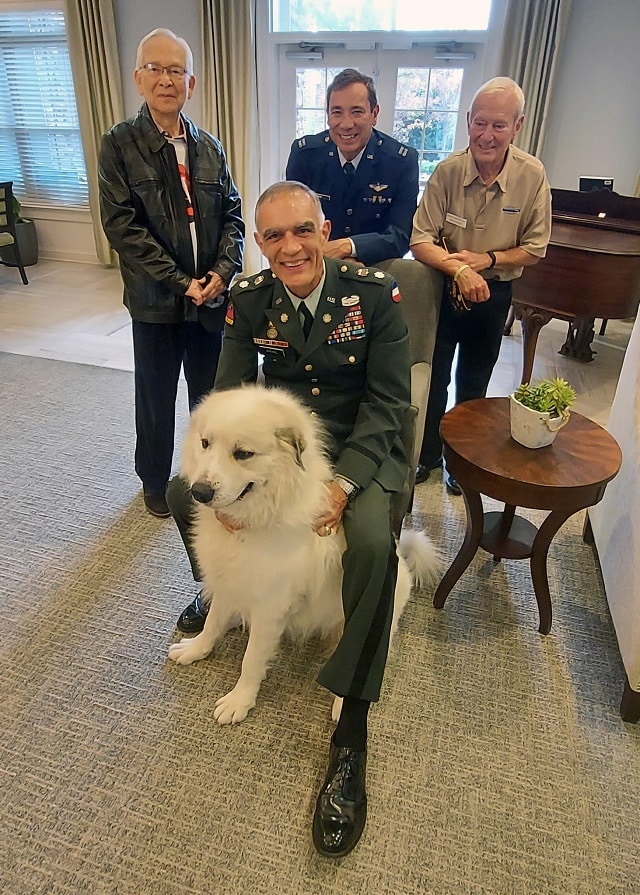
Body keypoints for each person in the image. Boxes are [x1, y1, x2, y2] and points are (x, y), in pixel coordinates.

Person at [166, 181, 411, 858]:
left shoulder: (371, 294)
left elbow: (389, 404)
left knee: (367, 545)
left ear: (323, 227)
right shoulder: (250, 301)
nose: (289, 246)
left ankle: (351, 732)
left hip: (359, 444)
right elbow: (230, 396)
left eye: (302, 230)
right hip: (277, 455)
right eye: (273, 235)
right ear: (261, 241)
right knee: (185, 492)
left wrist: (344, 481)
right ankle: (227, 585)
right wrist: (222, 474)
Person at [98, 28, 244, 517]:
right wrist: (183, 283)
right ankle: (155, 478)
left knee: (211, 397)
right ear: (138, 79)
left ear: (192, 83)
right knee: (156, 396)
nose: (166, 80)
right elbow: (123, 227)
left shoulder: (210, 147)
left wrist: (222, 272)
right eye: (156, 69)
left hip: (211, 296)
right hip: (157, 302)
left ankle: (209, 475)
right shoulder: (119, 145)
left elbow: (233, 215)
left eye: (176, 70)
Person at [410, 77, 551, 493]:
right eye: (480, 123)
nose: (487, 136)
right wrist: (458, 270)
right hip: (443, 291)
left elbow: (536, 247)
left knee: (474, 381)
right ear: (468, 120)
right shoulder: (448, 171)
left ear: (518, 126)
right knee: (434, 377)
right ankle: (428, 455)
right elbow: (420, 239)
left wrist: (487, 261)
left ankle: (460, 460)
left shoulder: (532, 175)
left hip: (494, 294)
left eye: (499, 126)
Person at [285, 68, 419, 266]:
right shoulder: (305, 155)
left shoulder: (400, 161)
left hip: (376, 268)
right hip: (317, 264)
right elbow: (293, 224)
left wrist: (349, 247)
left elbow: (401, 236)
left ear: (374, 114)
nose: (346, 124)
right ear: (328, 116)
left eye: (357, 112)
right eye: (337, 112)